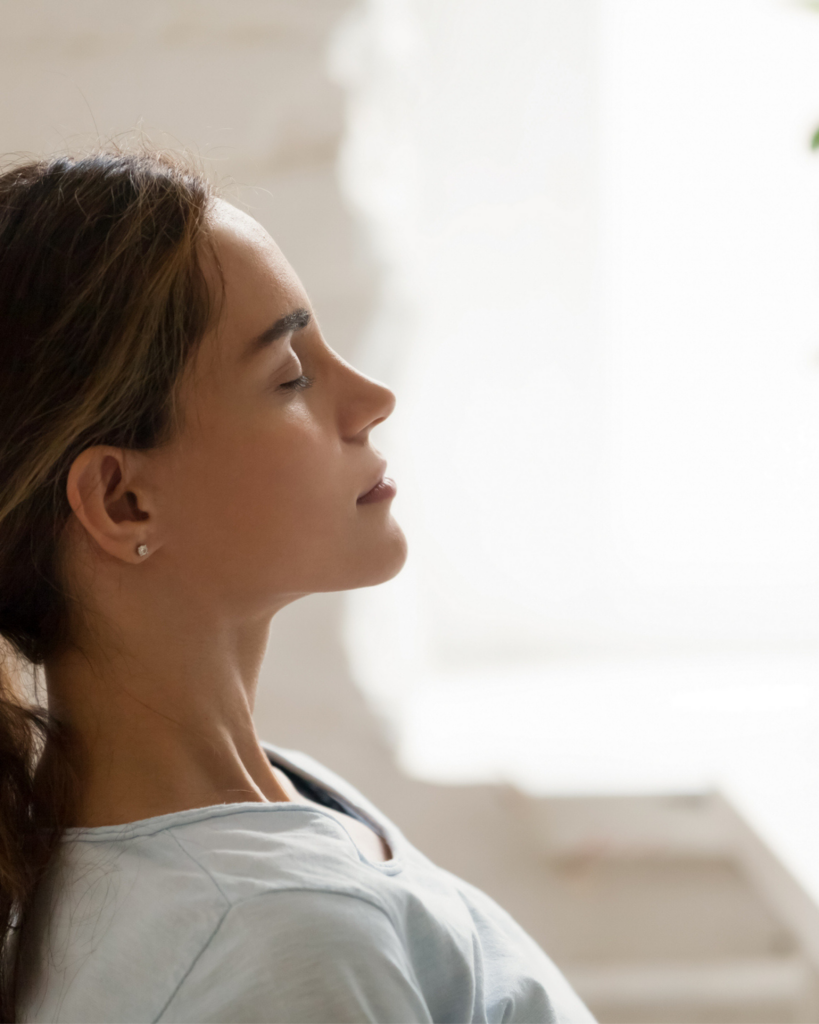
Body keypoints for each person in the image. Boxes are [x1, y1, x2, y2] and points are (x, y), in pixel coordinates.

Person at [0, 150, 594, 1024]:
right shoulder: (281, 941)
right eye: (290, 376)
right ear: (123, 502)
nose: (372, 397)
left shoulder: (283, 796)